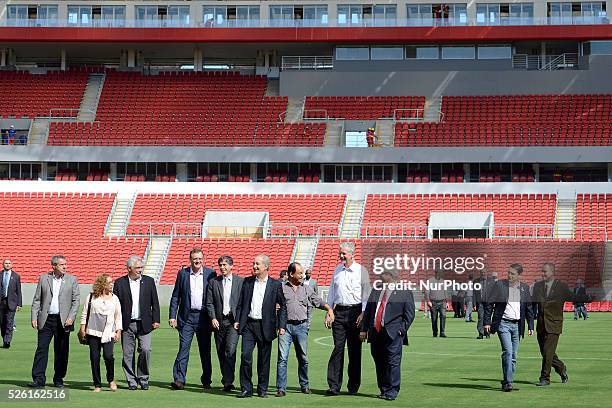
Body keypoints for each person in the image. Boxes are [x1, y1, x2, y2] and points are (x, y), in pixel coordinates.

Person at [276, 262, 334, 397]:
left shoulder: (306, 289)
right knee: (282, 358)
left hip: (301, 327)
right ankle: (281, 388)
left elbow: (317, 301)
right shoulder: (281, 288)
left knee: (303, 358)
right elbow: (273, 304)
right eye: (300, 273)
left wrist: (329, 309)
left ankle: (304, 385)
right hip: (285, 328)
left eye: (302, 273)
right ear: (291, 274)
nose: (302, 275)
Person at [234, 254, 287, 398]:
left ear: (266, 266)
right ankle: (246, 388)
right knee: (245, 356)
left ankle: (262, 389)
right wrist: (238, 320)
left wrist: (281, 325)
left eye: (257, 264)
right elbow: (241, 303)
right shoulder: (247, 282)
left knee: (264, 360)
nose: (254, 266)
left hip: (266, 326)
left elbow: (283, 306)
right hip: (249, 325)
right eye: (253, 263)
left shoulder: (275, 285)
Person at [360, 269, 415, 401]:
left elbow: (409, 314)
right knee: (379, 361)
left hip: (393, 333)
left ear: (391, 276)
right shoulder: (376, 289)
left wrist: (401, 330)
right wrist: (364, 329)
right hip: (376, 332)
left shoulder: (404, 291)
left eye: (383, 273)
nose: (380, 275)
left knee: (393, 362)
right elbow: (368, 311)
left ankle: (393, 390)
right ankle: (384, 389)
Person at [326, 242, 371, 396]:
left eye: (344, 253)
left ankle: (353, 386)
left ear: (352, 254)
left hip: (356, 312)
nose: (341, 256)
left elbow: (366, 294)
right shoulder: (337, 270)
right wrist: (329, 310)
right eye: (340, 253)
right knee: (338, 349)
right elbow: (332, 291)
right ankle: (334, 386)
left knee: (354, 351)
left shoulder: (361, 271)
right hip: (339, 313)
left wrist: (363, 313)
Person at [532, 263, 588, 386]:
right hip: (541, 325)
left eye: (545, 272)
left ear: (552, 272)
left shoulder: (561, 286)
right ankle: (561, 368)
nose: (542, 274)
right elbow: (532, 303)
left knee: (547, 352)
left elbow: (572, 296)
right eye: (542, 271)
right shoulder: (538, 286)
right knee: (547, 353)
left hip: (554, 324)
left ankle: (545, 378)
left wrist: (589, 297)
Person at [29, 255, 80, 388]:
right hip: (46, 320)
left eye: (65, 264)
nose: (65, 266)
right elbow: (37, 300)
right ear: (54, 266)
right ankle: (38, 379)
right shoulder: (43, 278)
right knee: (41, 349)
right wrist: (34, 317)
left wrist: (71, 317)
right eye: (62, 264)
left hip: (63, 321)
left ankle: (58, 379)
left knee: (62, 351)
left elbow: (76, 301)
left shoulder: (72, 280)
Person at [169, 248, 216, 390]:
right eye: (195, 258)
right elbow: (176, 296)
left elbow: (214, 296)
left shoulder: (210, 274)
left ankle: (207, 380)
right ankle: (179, 379)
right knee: (183, 349)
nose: (197, 261)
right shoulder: (182, 274)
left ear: (203, 259)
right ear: (190, 260)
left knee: (205, 351)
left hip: (204, 318)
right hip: (186, 318)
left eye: (200, 258)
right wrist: (172, 316)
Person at [484, 264, 534, 392]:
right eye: (509, 273)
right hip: (503, 324)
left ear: (519, 275)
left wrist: (530, 325)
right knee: (508, 352)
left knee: (514, 355)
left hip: (517, 325)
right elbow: (489, 303)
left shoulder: (524, 288)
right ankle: (508, 382)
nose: (510, 276)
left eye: (513, 274)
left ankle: (507, 380)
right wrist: (487, 322)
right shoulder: (500, 285)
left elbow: (528, 308)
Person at [113, 256, 160, 390]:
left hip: (145, 323)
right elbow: (115, 306)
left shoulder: (149, 281)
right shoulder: (119, 283)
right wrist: (115, 326)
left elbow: (154, 302)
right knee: (128, 354)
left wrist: (156, 320)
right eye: (137, 268)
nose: (140, 270)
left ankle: (143, 378)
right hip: (126, 324)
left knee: (145, 350)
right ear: (129, 269)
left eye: (141, 267)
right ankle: (131, 381)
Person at [205, 256, 244, 392]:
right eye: (220, 265)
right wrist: (213, 318)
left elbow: (243, 303)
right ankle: (227, 381)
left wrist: (239, 319)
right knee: (221, 352)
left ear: (231, 266)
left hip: (233, 322)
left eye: (225, 265)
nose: (222, 267)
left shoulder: (240, 282)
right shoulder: (213, 282)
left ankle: (228, 380)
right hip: (219, 322)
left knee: (230, 350)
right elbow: (209, 303)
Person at [80, 274, 122, 392]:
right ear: (102, 284)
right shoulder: (91, 297)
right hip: (93, 331)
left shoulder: (115, 298)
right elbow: (85, 313)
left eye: (112, 282)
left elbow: (118, 316)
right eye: (109, 282)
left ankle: (111, 379)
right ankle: (97, 384)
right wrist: (83, 328)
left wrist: (118, 331)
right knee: (94, 357)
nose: (112, 284)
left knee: (108, 356)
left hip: (109, 332)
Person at [1, 259, 22, 348]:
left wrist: (19, 304)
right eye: (6, 263)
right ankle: (4, 338)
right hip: (1, 302)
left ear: (12, 265)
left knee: (9, 322)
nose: (7, 265)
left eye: (9, 263)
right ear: (3, 264)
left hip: (12, 302)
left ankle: (7, 341)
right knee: (2, 323)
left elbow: (18, 291)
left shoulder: (16, 276)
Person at [425, 269, 449, 338]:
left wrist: (446, 302)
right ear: (435, 273)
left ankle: (442, 332)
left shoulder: (443, 281)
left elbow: (445, 291)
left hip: (442, 302)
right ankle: (435, 332)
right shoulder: (430, 281)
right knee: (434, 318)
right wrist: (428, 301)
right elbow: (427, 291)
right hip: (433, 302)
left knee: (443, 316)